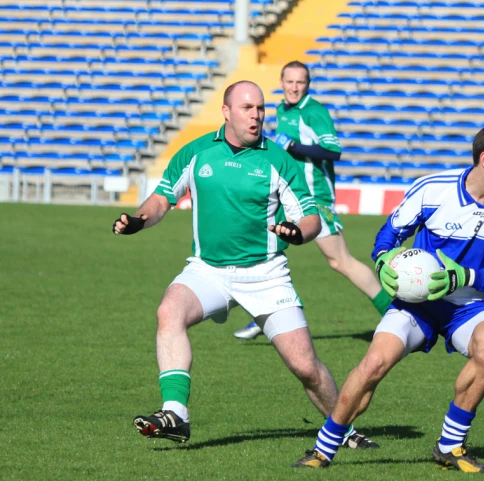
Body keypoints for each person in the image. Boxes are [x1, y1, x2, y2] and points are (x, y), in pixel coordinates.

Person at [113, 81, 377, 449]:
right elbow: (161, 199)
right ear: (226, 112)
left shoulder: (278, 160)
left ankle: (344, 431)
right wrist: (139, 220)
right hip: (208, 270)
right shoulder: (197, 152)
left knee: (305, 366)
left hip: (265, 273)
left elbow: (311, 218)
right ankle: (175, 413)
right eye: (247, 108)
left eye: (261, 108)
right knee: (168, 311)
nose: (256, 116)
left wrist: (297, 232)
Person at [292, 123, 484, 474]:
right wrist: (382, 261)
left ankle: (450, 446)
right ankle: (322, 450)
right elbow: (390, 232)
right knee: (375, 364)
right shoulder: (433, 188)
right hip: (418, 301)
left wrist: (466, 276)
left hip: (472, 305)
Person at [234, 60, 392, 340]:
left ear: (307, 85)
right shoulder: (281, 110)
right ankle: (267, 314)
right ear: (281, 83)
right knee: (263, 251)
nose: (294, 87)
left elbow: (333, 152)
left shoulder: (314, 111)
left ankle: (394, 314)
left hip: (314, 199)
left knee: (340, 261)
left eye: (300, 82)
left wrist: (293, 146)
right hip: (286, 195)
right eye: (289, 82)